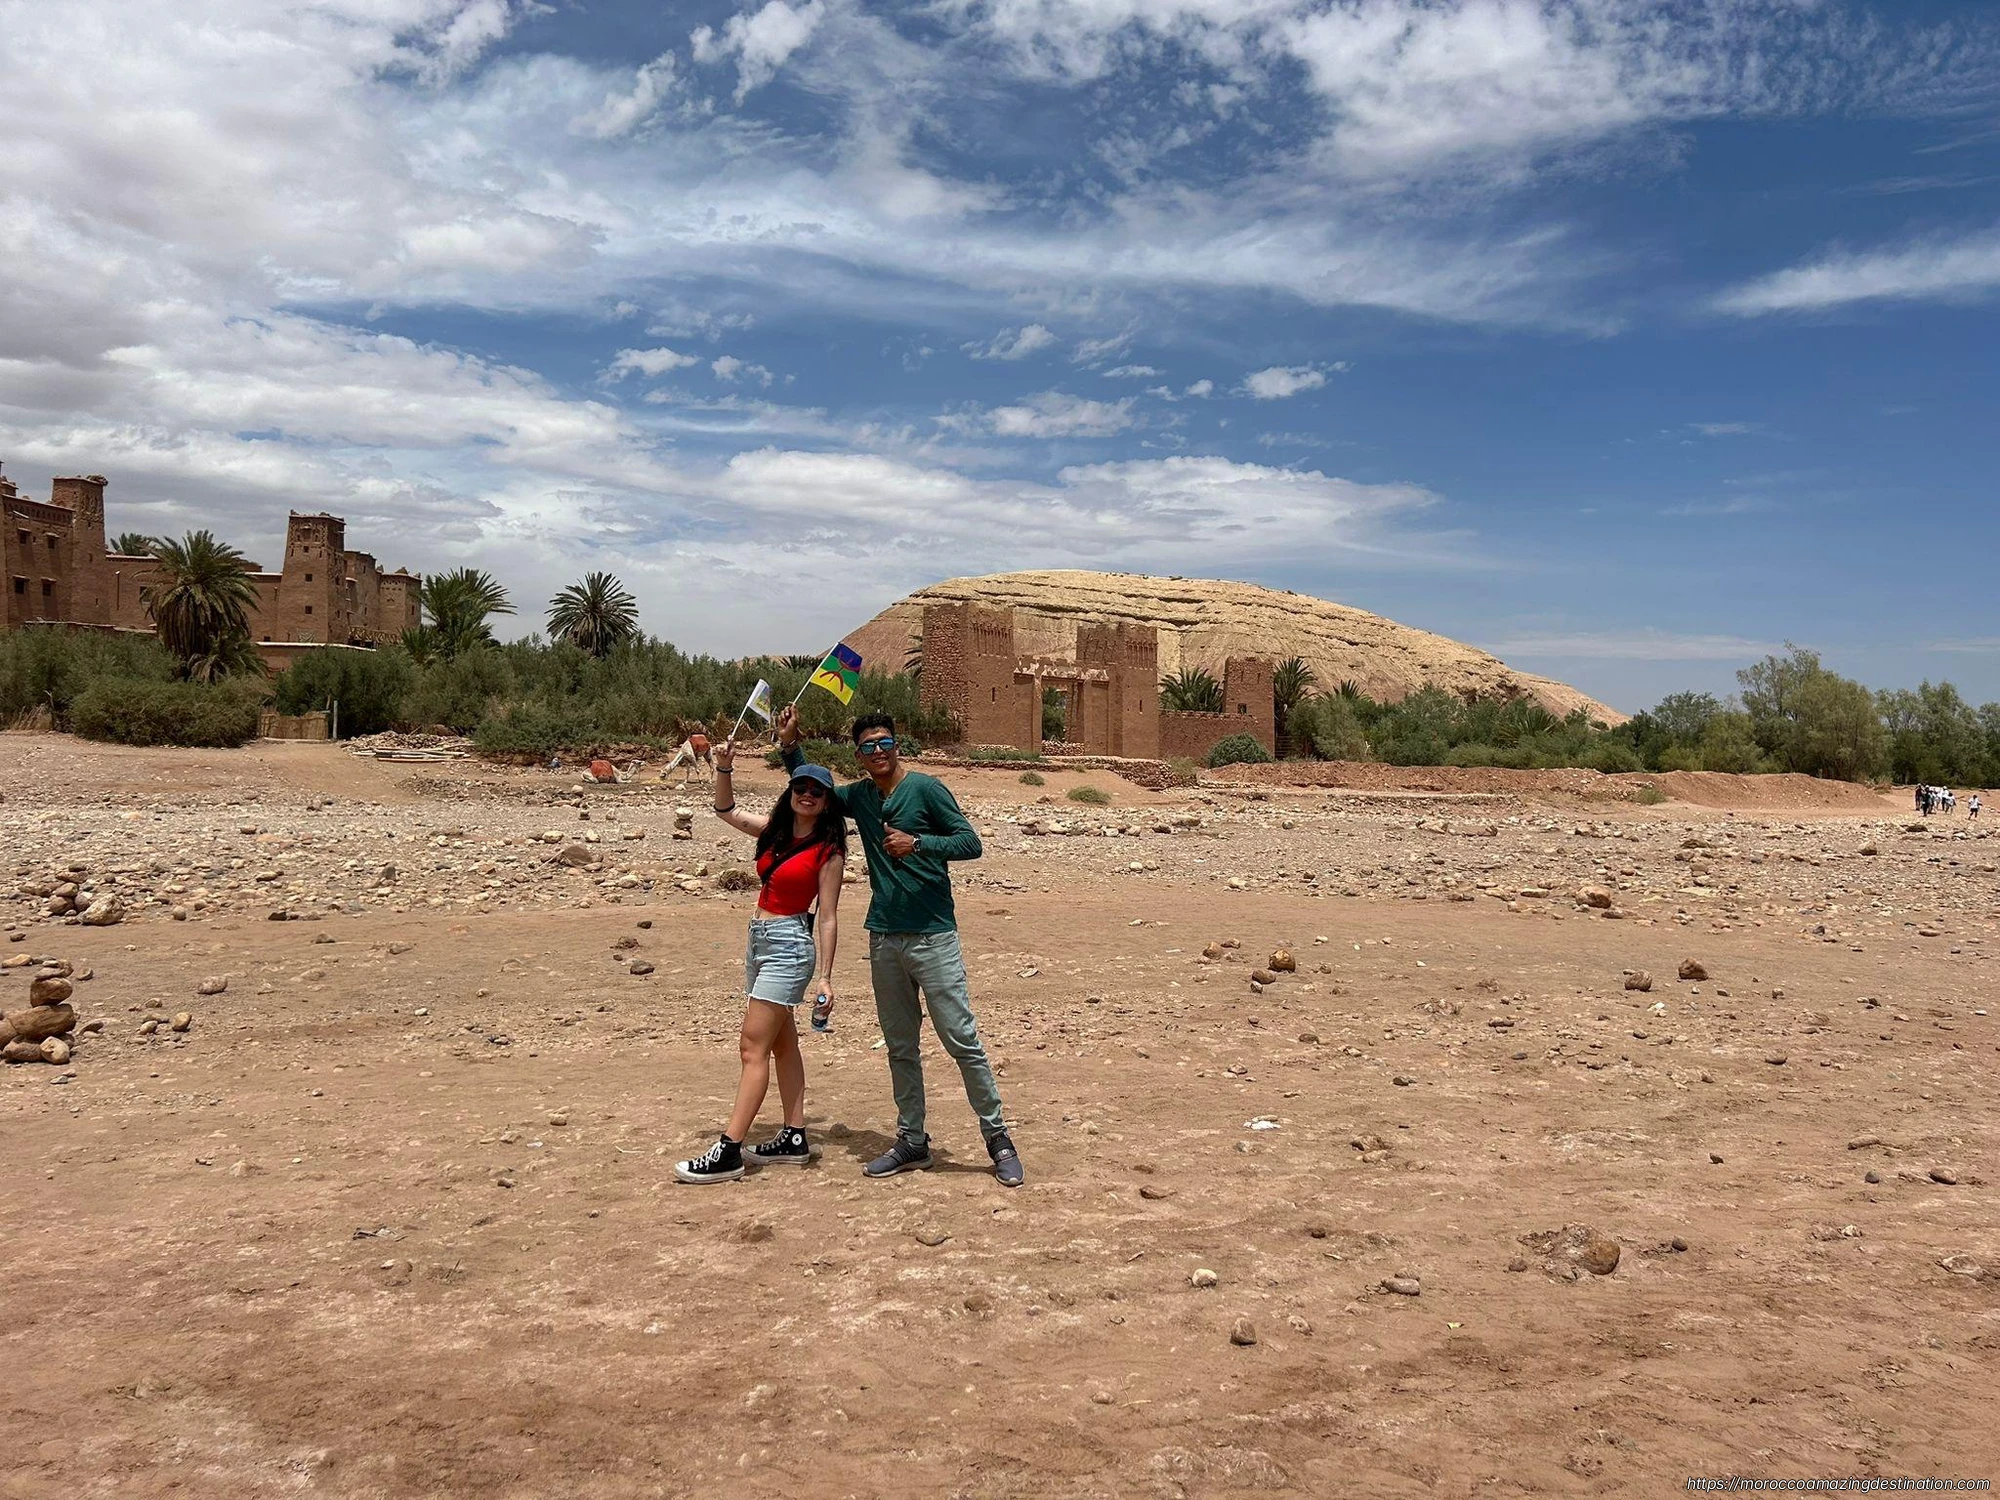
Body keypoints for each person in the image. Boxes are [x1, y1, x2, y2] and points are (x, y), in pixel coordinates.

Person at [776, 704, 1023, 1187]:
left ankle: (998, 1140)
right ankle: (912, 1141)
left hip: (934, 936)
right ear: (860, 754)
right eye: (868, 746)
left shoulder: (926, 789)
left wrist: (920, 843)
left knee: (961, 1040)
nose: (878, 752)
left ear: (896, 745)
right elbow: (810, 790)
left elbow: (970, 843)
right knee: (900, 1046)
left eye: (884, 743)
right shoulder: (861, 797)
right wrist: (790, 745)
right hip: (885, 937)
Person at [674, 744, 847, 1184]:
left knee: (751, 1048)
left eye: (817, 791)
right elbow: (726, 810)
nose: (807, 795)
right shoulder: (773, 831)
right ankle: (793, 1136)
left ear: (827, 802)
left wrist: (826, 977)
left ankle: (729, 1149)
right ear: (790, 791)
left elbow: (827, 916)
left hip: (790, 945)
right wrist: (725, 767)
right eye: (801, 787)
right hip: (759, 940)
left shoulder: (828, 850)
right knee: (781, 1044)